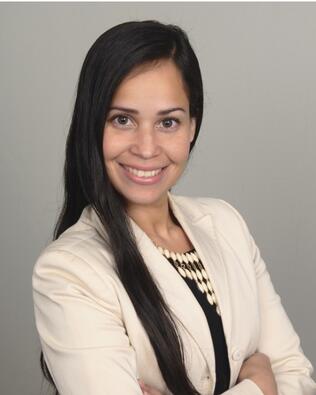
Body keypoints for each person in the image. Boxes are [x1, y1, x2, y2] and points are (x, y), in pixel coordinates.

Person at [31, 20, 316, 395]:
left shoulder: (226, 223)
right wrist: (261, 386)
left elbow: (297, 375)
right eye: (122, 120)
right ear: (92, 127)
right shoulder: (68, 272)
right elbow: (278, 379)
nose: (147, 148)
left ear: (192, 127)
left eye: (168, 122)